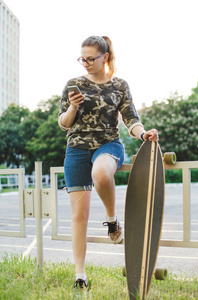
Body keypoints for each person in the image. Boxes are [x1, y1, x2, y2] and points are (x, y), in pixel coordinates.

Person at [58, 35, 159, 290]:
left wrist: (143, 134)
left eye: (91, 58)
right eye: (82, 58)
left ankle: (112, 219)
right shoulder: (74, 84)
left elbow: (131, 120)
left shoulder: (120, 85)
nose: (86, 63)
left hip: (108, 144)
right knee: (78, 215)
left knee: (101, 174)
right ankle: (80, 274)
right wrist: (72, 107)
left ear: (106, 57)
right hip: (76, 149)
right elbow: (63, 123)